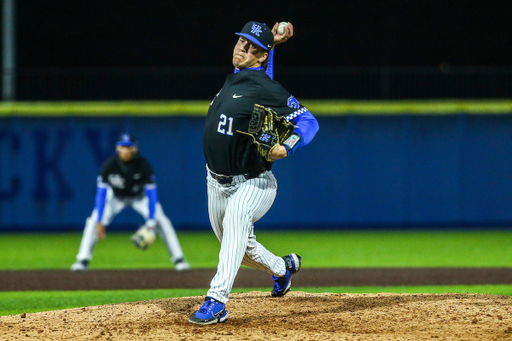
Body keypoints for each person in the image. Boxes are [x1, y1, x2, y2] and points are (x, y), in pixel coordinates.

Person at [189, 21, 319, 325]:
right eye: (241, 43)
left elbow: (309, 122)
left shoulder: (265, 87)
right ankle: (283, 268)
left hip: (253, 182)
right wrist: (270, 43)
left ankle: (216, 301)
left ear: (261, 56)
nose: (242, 50)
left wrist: (286, 147)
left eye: (252, 48)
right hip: (215, 182)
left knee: (236, 222)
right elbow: (258, 72)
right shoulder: (238, 77)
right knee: (240, 250)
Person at [70, 133, 190, 271]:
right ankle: (83, 259)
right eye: (123, 147)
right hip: (116, 198)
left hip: (140, 198)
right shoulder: (109, 166)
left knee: (162, 221)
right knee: (92, 221)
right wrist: (99, 220)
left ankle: (179, 259)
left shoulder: (144, 165)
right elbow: (101, 195)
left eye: (129, 147)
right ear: (117, 148)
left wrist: (151, 223)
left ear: (135, 149)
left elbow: (152, 196)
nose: (125, 150)